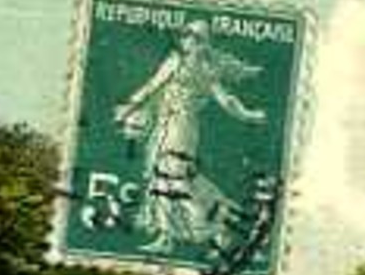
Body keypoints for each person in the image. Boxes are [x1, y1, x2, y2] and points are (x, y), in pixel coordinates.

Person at [113, 18, 267, 255]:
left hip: (180, 128)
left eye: (195, 37)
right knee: (167, 179)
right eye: (186, 35)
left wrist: (248, 115)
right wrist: (131, 106)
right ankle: (176, 234)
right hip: (166, 126)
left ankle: (216, 227)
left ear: (204, 43)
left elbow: (225, 100)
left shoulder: (205, 69)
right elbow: (152, 86)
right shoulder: (175, 61)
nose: (188, 40)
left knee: (173, 178)